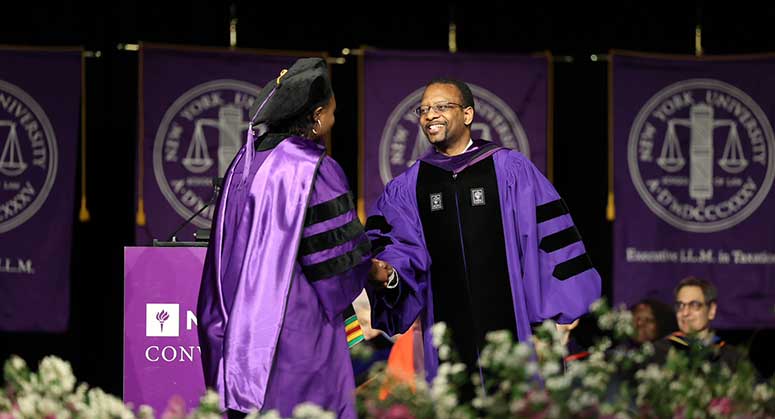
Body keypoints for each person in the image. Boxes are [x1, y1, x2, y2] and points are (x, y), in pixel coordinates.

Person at [363, 78, 602, 386]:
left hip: (515, 327)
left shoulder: (510, 169)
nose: (429, 115)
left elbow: (545, 241)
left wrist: (553, 314)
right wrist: (389, 274)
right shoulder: (410, 187)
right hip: (447, 336)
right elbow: (399, 248)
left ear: (467, 114)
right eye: (423, 109)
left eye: (441, 107)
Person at [196, 57, 390, 419]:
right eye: (332, 112)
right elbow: (337, 262)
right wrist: (371, 270)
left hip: (238, 323)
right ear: (317, 116)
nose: (334, 120)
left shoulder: (244, 160)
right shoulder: (312, 167)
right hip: (295, 325)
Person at [653, 276, 743, 370]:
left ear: (711, 310)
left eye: (694, 305)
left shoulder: (731, 358)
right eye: (680, 305)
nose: (685, 313)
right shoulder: (658, 352)